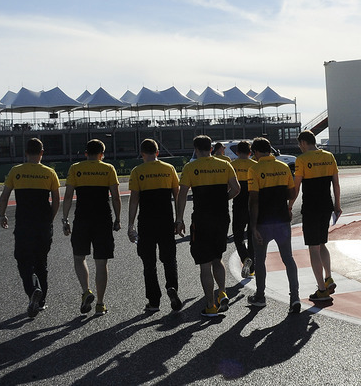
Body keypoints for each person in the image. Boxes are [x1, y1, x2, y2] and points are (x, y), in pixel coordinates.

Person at [176, 135, 240, 317]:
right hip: (222, 217)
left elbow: (182, 195)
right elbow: (237, 189)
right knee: (217, 258)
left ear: (196, 149)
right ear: (211, 149)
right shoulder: (225, 164)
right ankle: (222, 291)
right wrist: (222, 200)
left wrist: (179, 219)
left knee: (205, 264)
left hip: (202, 219)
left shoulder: (190, 167)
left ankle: (211, 305)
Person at [0, 138, 61, 318]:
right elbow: (56, 200)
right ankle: (41, 302)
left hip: (24, 224)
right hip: (43, 224)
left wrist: (2, 215)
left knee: (23, 260)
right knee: (41, 262)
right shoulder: (50, 173)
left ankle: (33, 289)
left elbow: (4, 196)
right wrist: (51, 218)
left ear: (26, 153)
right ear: (42, 153)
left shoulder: (16, 171)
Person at [60, 139, 121, 316]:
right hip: (103, 219)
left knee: (79, 257)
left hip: (82, 219)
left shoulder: (75, 168)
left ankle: (86, 291)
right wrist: (118, 219)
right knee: (101, 262)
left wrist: (65, 219)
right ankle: (100, 304)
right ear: (102, 154)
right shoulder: (108, 168)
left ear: (86, 153)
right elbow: (116, 198)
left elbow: (68, 196)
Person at [127, 138, 183, 313]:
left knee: (148, 263)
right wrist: (179, 219)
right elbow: (177, 196)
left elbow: (134, 199)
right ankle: (171, 287)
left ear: (142, 154)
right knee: (169, 259)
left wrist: (130, 224)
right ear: (158, 152)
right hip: (166, 221)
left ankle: (154, 301)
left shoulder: (137, 171)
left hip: (146, 222)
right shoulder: (169, 169)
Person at [247, 137, 300, 314]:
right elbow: (292, 192)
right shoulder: (284, 167)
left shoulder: (254, 169)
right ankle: (295, 298)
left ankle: (260, 296)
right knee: (288, 259)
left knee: (260, 260)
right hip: (282, 220)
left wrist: (253, 227)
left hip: (263, 222)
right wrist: (287, 205)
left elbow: (253, 201)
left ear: (255, 152)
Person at [290, 130, 341, 302]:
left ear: (303, 143)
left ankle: (321, 289)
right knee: (322, 243)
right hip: (327, 205)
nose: (299, 147)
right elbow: (336, 184)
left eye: (299, 144)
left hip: (311, 207)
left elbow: (296, 188)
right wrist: (337, 206)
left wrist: (289, 205)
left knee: (313, 248)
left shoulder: (302, 159)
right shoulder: (329, 156)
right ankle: (328, 277)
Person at [230, 140, 256, 278]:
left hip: (238, 202)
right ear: (250, 152)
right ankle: (252, 268)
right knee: (252, 236)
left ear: (237, 152)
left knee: (238, 234)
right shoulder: (255, 165)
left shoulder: (232, 165)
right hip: (253, 203)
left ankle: (245, 257)